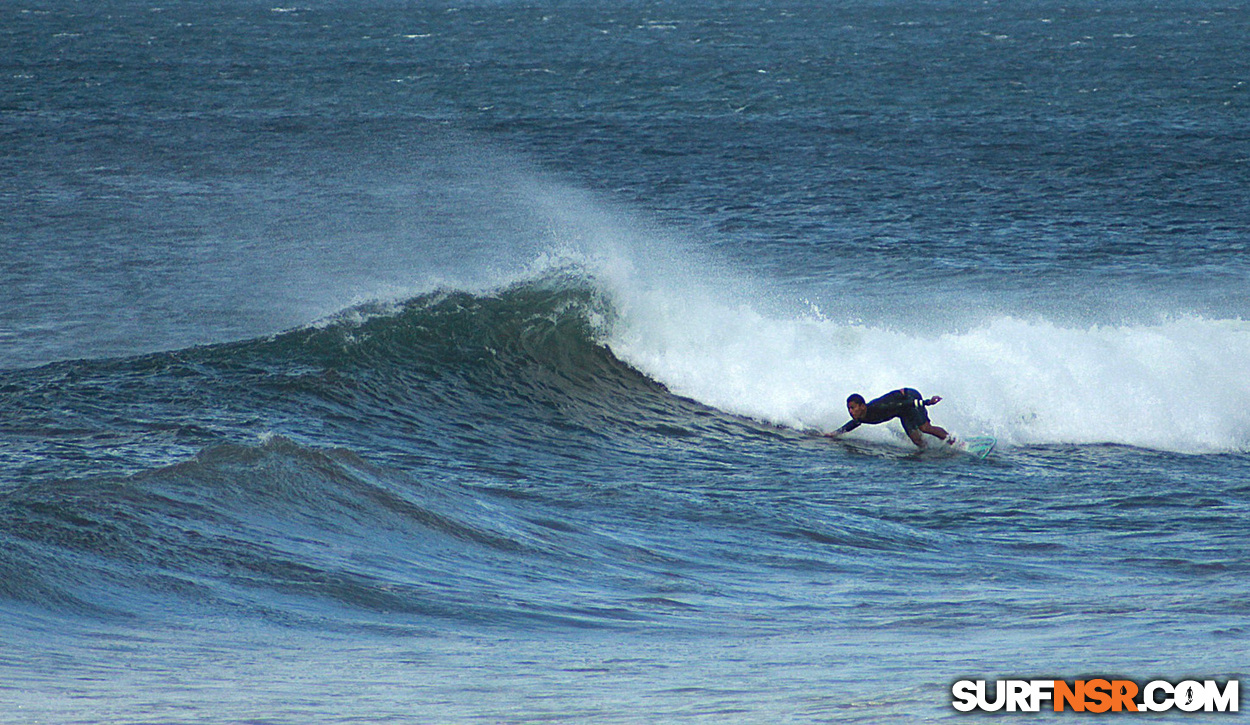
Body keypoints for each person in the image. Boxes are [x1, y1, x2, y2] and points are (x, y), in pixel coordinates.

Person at [827, 387, 953, 449]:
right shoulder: (861, 417)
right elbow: (852, 425)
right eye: (849, 408)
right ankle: (933, 450)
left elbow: (901, 404)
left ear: (862, 406)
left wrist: (926, 402)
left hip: (908, 397)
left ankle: (954, 441)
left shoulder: (878, 407)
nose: (850, 411)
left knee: (924, 427)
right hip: (902, 411)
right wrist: (835, 434)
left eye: (853, 408)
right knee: (917, 441)